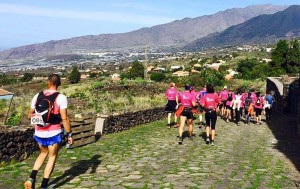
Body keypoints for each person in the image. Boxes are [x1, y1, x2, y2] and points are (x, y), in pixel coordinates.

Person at [25, 74, 73, 189]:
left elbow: (29, 115)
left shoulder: (38, 95)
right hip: (53, 133)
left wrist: (41, 120)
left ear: (48, 82)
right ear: (59, 84)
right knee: (52, 157)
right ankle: (44, 186)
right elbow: (64, 118)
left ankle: (31, 178)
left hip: (39, 132)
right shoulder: (61, 97)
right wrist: (69, 134)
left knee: (42, 153)